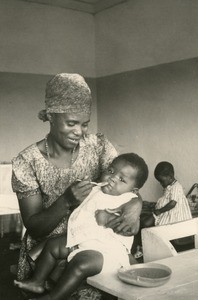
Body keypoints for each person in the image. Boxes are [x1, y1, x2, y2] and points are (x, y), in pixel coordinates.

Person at [12, 73, 142, 298]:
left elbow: (127, 183)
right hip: (50, 254)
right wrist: (66, 202)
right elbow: (34, 226)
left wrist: (136, 206)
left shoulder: (98, 145)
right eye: (71, 123)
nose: (79, 132)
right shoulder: (27, 162)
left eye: (85, 124)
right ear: (51, 116)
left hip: (98, 244)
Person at [14, 153, 149, 300]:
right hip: (82, 241)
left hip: (108, 253)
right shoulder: (97, 190)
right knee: (53, 245)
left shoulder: (128, 199)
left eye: (122, 179)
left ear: (134, 190)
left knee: (81, 263)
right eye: (111, 171)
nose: (113, 178)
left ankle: (53, 297)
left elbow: (130, 229)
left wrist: (107, 217)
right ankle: (37, 281)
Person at [134, 161, 192, 259]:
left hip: (173, 216)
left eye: (162, 181)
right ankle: (141, 245)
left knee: (146, 223)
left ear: (170, 176)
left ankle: (143, 247)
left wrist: (159, 211)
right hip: (165, 213)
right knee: (142, 220)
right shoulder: (168, 186)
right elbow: (166, 200)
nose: (160, 183)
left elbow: (173, 203)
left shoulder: (177, 187)